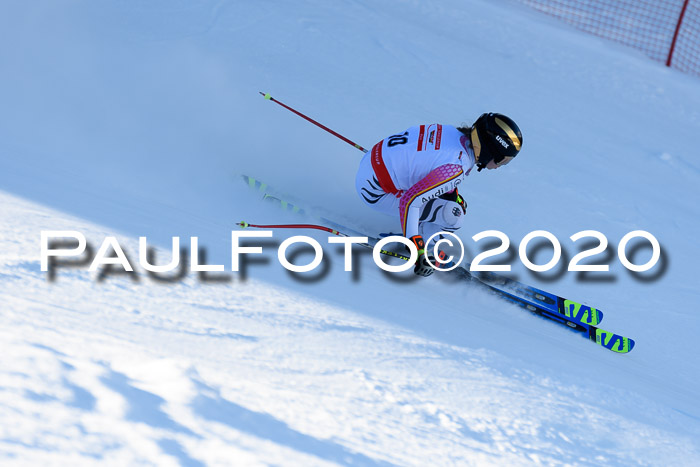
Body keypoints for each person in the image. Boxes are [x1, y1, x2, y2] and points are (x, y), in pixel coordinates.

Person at [355, 113, 523, 277]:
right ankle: (423, 246)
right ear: (489, 150)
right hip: (376, 191)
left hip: (372, 163)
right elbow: (409, 201)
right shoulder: (457, 166)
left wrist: (449, 192)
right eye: (502, 160)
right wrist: (416, 248)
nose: (500, 166)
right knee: (453, 216)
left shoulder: (453, 133)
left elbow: (429, 162)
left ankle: (416, 233)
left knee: (451, 203)